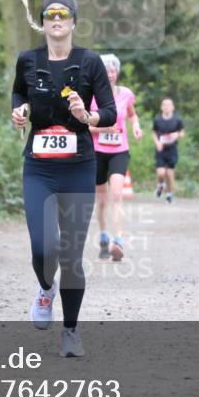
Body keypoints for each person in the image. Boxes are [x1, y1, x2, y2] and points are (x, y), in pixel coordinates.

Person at [11, 0, 116, 357]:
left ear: (73, 22)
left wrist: (88, 116)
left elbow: (110, 111)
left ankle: (70, 331)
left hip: (78, 167)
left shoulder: (89, 62)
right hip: (39, 167)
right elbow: (18, 95)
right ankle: (45, 289)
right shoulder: (28, 60)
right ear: (42, 22)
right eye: (50, 14)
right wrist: (20, 112)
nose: (56, 20)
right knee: (43, 248)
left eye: (63, 14)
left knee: (70, 256)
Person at [89, 54, 142, 261]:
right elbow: (84, 126)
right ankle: (103, 236)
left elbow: (132, 114)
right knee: (102, 200)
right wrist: (103, 129)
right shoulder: (92, 96)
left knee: (117, 195)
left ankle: (117, 241)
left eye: (112, 71)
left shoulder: (126, 94)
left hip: (119, 150)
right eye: (106, 71)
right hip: (97, 152)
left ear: (116, 73)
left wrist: (136, 126)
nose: (110, 74)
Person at [152, 98, 184, 204]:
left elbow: (182, 133)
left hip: (172, 150)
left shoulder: (177, 120)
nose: (166, 107)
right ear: (161, 107)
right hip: (161, 150)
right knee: (161, 173)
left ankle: (169, 195)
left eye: (169, 105)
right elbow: (154, 133)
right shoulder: (157, 120)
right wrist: (157, 142)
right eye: (164, 105)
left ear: (173, 107)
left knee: (170, 173)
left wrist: (177, 134)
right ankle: (161, 185)